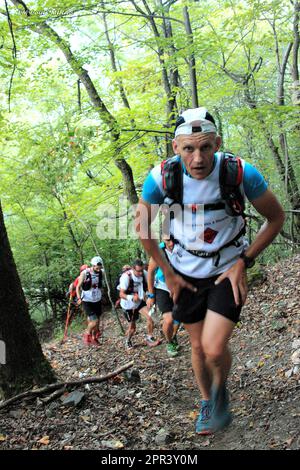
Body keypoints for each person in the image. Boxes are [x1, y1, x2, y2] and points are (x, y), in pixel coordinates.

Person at [136, 107, 285, 435]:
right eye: (189, 148)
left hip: (226, 271)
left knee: (215, 347)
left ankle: (220, 391)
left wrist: (244, 261)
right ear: (176, 148)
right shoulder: (161, 177)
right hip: (184, 273)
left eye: (206, 147)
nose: (198, 158)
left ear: (217, 143)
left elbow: (276, 218)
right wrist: (168, 275)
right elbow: (143, 229)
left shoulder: (240, 173)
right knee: (199, 347)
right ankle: (208, 400)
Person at [147, 234, 181, 357]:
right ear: (163, 239)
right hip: (162, 287)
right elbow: (150, 273)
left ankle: (173, 335)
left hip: (179, 286)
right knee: (169, 319)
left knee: (178, 317)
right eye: (168, 241)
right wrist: (151, 295)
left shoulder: (184, 247)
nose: (171, 243)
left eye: (173, 240)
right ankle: (169, 342)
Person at [119, 259, 160, 349]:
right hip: (128, 305)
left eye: (142, 270)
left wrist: (150, 297)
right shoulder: (126, 277)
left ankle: (149, 338)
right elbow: (121, 294)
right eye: (138, 271)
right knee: (133, 328)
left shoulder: (144, 273)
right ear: (133, 269)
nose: (141, 273)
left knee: (150, 317)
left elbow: (150, 286)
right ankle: (128, 341)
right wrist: (131, 297)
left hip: (139, 302)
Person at [76, 256, 104, 347]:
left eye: (100, 268)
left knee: (97, 321)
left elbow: (100, 285)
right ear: (93, 265)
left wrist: (103, 295)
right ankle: (87, 334)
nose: (98, 269)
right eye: (97, 267)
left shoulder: (101, 273)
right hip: (87, 300)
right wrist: (79, 298)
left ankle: (94, 338)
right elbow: (78, 287)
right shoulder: (85, 273)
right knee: (94, 321)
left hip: (97, 299)